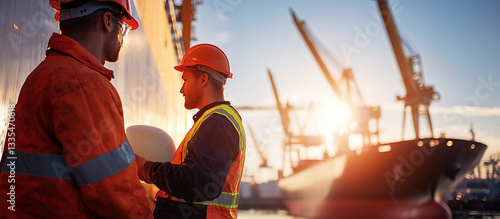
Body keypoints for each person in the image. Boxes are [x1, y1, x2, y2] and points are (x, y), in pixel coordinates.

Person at [0, 0, 152, 218]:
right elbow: (116, 194)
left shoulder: (44, 74)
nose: (122, 37)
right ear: (107, 21)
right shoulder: (84, 83)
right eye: (124, 27)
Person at [136, 44, 246, 219]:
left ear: (203, 79)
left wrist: (146, 169)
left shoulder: (217, 123)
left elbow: (199, 183)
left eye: (185, 80)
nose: (181, 89)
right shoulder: (214, 121)